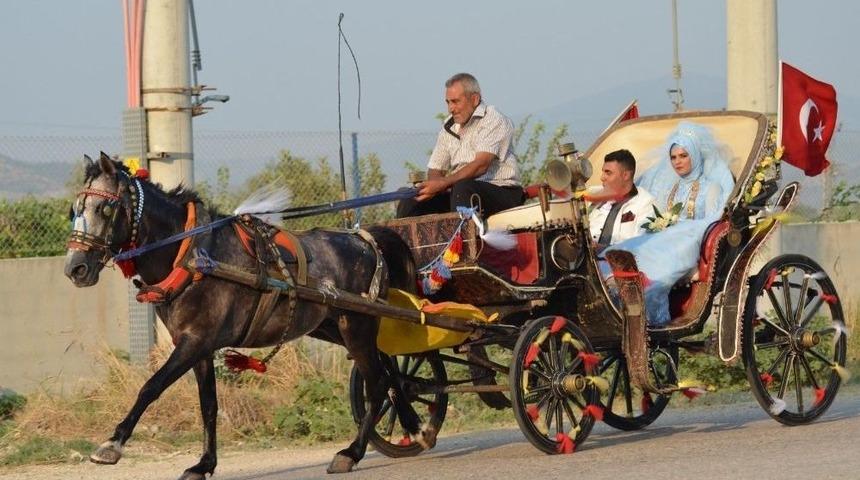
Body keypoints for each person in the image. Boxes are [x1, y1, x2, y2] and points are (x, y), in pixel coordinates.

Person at [605, 121, 735, 326]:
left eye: (683, 156)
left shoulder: (711, 188)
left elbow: (711, 223)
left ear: (695, 155)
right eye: (673, 157)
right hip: (665, 237)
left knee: (659, 256)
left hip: (690, 241)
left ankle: (643, 295)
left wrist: (681, 229)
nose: (677, 162)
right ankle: (615, 281)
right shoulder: (671, 188)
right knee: (633, 247)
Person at [396, 73, 524, 218]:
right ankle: (405, 240)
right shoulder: (448, 126)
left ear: (474, 99)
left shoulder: (494, 119)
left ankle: (462, 239)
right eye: (448, 102)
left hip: (501, 192)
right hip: (460, 193)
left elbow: (481, 165)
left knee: (462, 188)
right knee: (410, 198)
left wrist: (444, 183)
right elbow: (436, 169)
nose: (451, 108)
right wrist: (433, 187)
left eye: (456, 101)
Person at [588, 149, 656, 251]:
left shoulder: (645, 203)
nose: (602, 177)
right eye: (603, 172)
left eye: (608, 173)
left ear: (626, 175)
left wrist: (603, 249)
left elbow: (642, 244)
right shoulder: (595, 198)